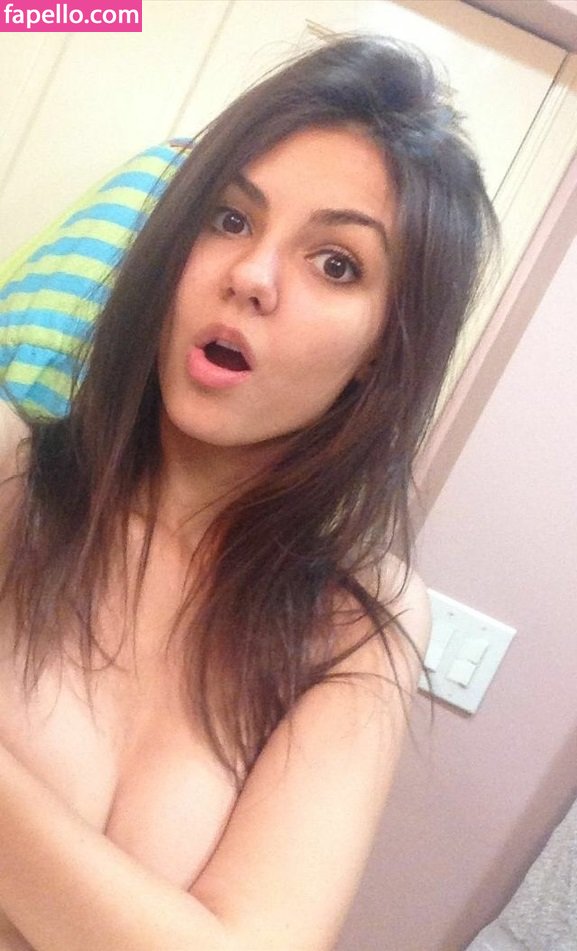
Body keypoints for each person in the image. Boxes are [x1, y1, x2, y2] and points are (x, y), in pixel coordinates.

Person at [0, 35, 497, 951]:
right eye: (229, 218)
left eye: (336, 262)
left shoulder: (356, 620)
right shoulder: (13, 476)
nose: (250, 276)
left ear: (383, 348)